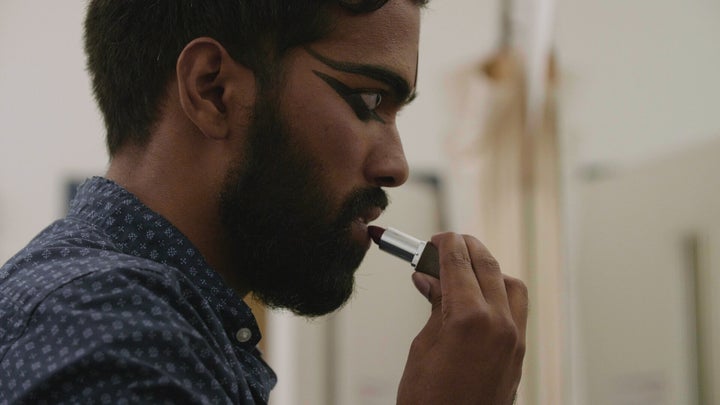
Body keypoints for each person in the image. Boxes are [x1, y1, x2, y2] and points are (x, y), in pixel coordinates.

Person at [0, 0, 528, 403]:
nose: (396, 166)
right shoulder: (118, 334)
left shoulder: (157, 318)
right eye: (368, 101)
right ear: (213, 91)